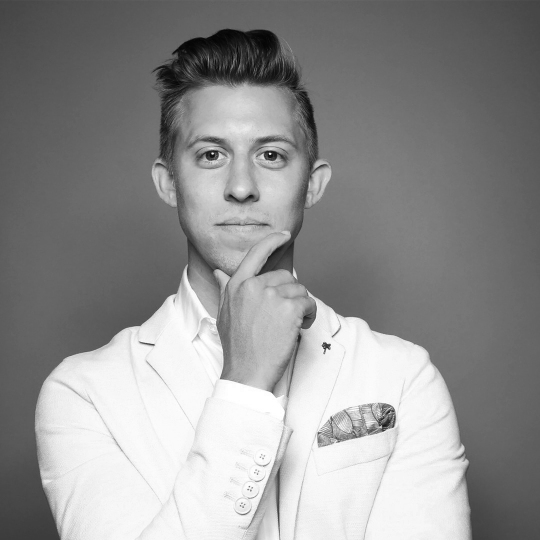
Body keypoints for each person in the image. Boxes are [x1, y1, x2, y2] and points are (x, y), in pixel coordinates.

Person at [35, 29, 471, 540]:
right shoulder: (84, 394)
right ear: (168, 182)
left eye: (271, 155)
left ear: (313, 183)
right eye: (211, 155)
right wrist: (244, 384)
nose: (241, 187)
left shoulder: (403, 377)